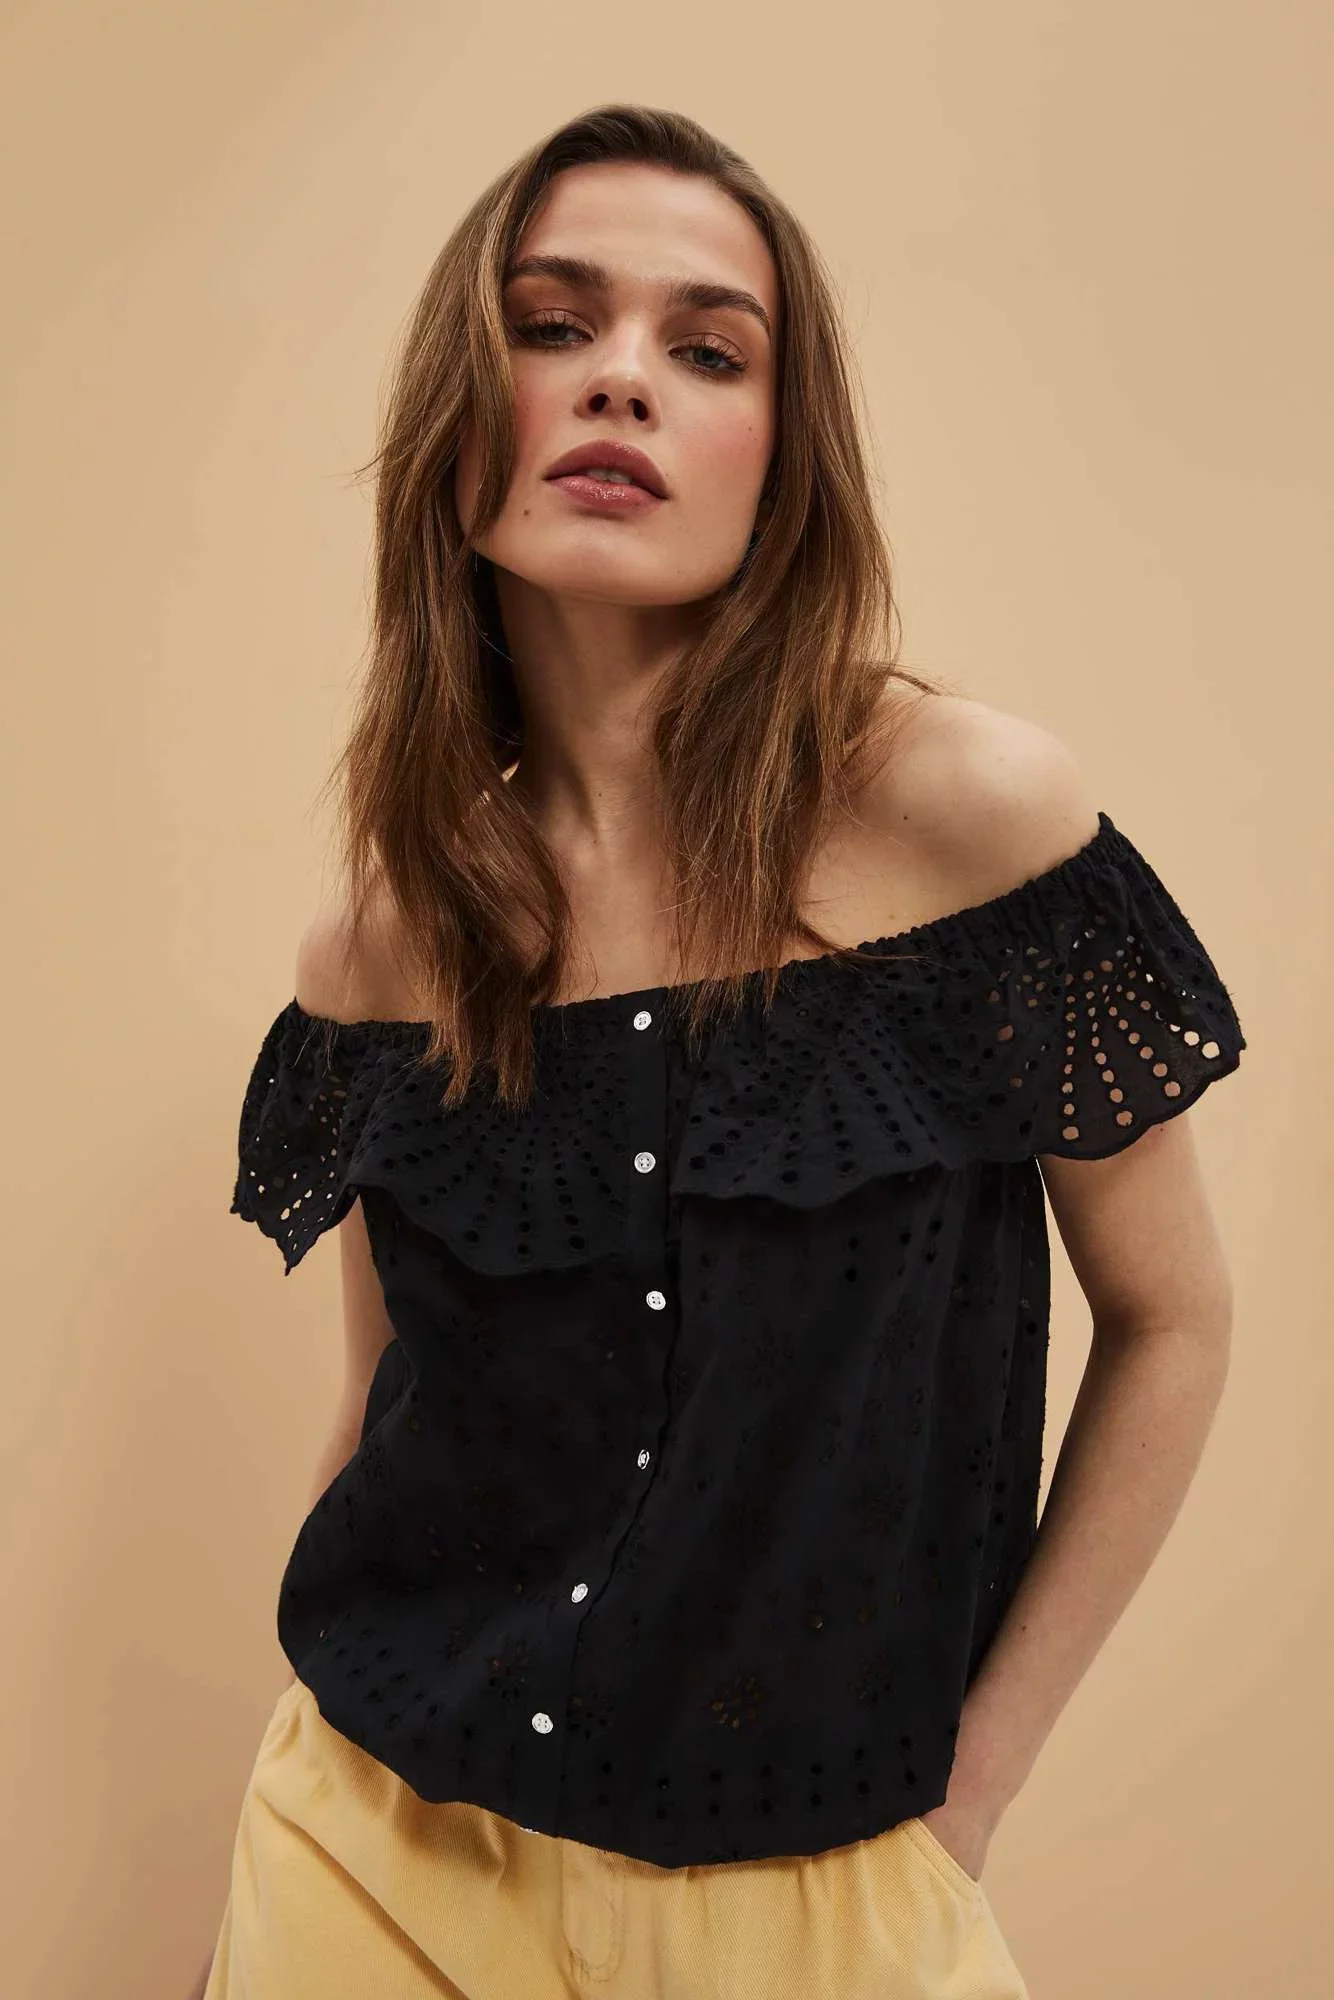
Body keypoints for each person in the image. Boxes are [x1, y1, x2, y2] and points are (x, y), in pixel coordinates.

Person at [190, 102, 1246, 2000]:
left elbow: (1171, 1321)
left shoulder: (969, 821)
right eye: (551, 326)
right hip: (370, 1855)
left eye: (706, 349)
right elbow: (384, 1403)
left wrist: (973, 1791)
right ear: (460, 422)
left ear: (784, 454)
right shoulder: (383, 946)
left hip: (822, 1893)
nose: (620, 380)